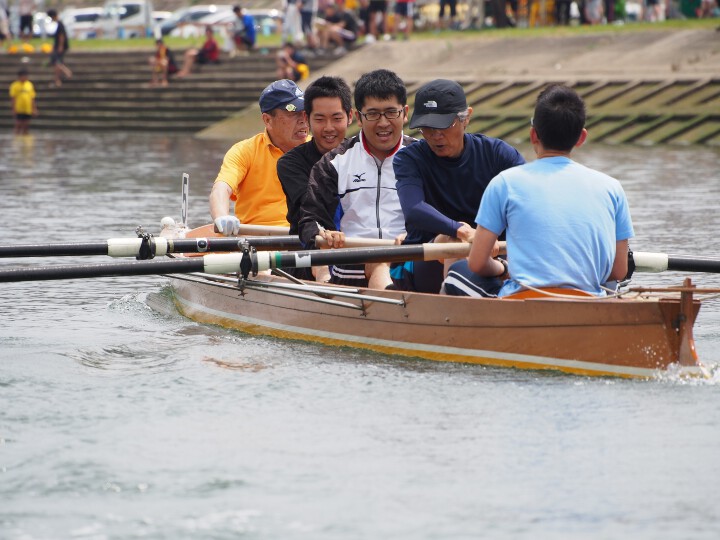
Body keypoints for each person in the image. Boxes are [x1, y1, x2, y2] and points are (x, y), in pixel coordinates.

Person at [447, 84, 634, 298]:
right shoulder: (612, 187)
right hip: (588, 303)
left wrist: (503, 268)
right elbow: (619, 271)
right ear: (581, 138)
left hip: (523, 302)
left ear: (533, 135)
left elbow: (478, 263)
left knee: (457, 272)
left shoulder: (504, 183)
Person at [392, 79, 525, 294]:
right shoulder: (409, 159)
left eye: (444, 125)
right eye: (427, 127)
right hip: (424, 260)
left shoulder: (498, 154)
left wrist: (484, 241)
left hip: (493, 258)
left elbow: (530, 201)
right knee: (454, 240)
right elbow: (414, 209)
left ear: (466, 117)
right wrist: (462, 230)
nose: (435, 135)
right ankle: (456, 304)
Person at [297, 69, 412, 288]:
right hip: (350, 268)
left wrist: (416, 234)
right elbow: (310, 219)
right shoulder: (334, 163)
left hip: (410, 260)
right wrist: (322, 233)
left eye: (391, 112)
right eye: (373, 114)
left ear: (404, 113)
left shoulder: (422, 158)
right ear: (358, 117)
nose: (383, 123)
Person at [276, 75, 353, 280]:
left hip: (358, 247)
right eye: (319, 119)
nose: (329, 128)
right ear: (307, 118)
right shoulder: (290, 163)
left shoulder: (363, 156)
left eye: (336, 119)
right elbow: (311, 208)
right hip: (308, 250)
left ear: (350, 117)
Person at [210, 79, 308, 235]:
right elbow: (221, 188)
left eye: (305, 112)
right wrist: (221, 216)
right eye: (293, 113)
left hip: (307, 236)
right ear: (268, 120)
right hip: (255, 239)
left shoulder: (320, 150)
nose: (303, 120)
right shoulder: (244, 151)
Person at [48, 9, 73, 87]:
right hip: (58, 46)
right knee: (57, 63)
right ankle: (59, 78)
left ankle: (65, 74)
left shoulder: (60, 24)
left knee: (57, 63)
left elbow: (61, 36)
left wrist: (60, 46)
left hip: (59, 47)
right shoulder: (59, 24)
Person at [9, 67, 38, 135]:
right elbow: (13, 98)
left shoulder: (29, 84)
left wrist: (34, 109)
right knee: (18, 124)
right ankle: (16, 138)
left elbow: (32, 98)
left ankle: (25, 138)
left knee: (26, 125)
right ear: (19, 76)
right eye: (23, 76)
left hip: (27, 108)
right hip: (19, 108)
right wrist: (13, 109)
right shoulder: (15, 85)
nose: (25, 77)